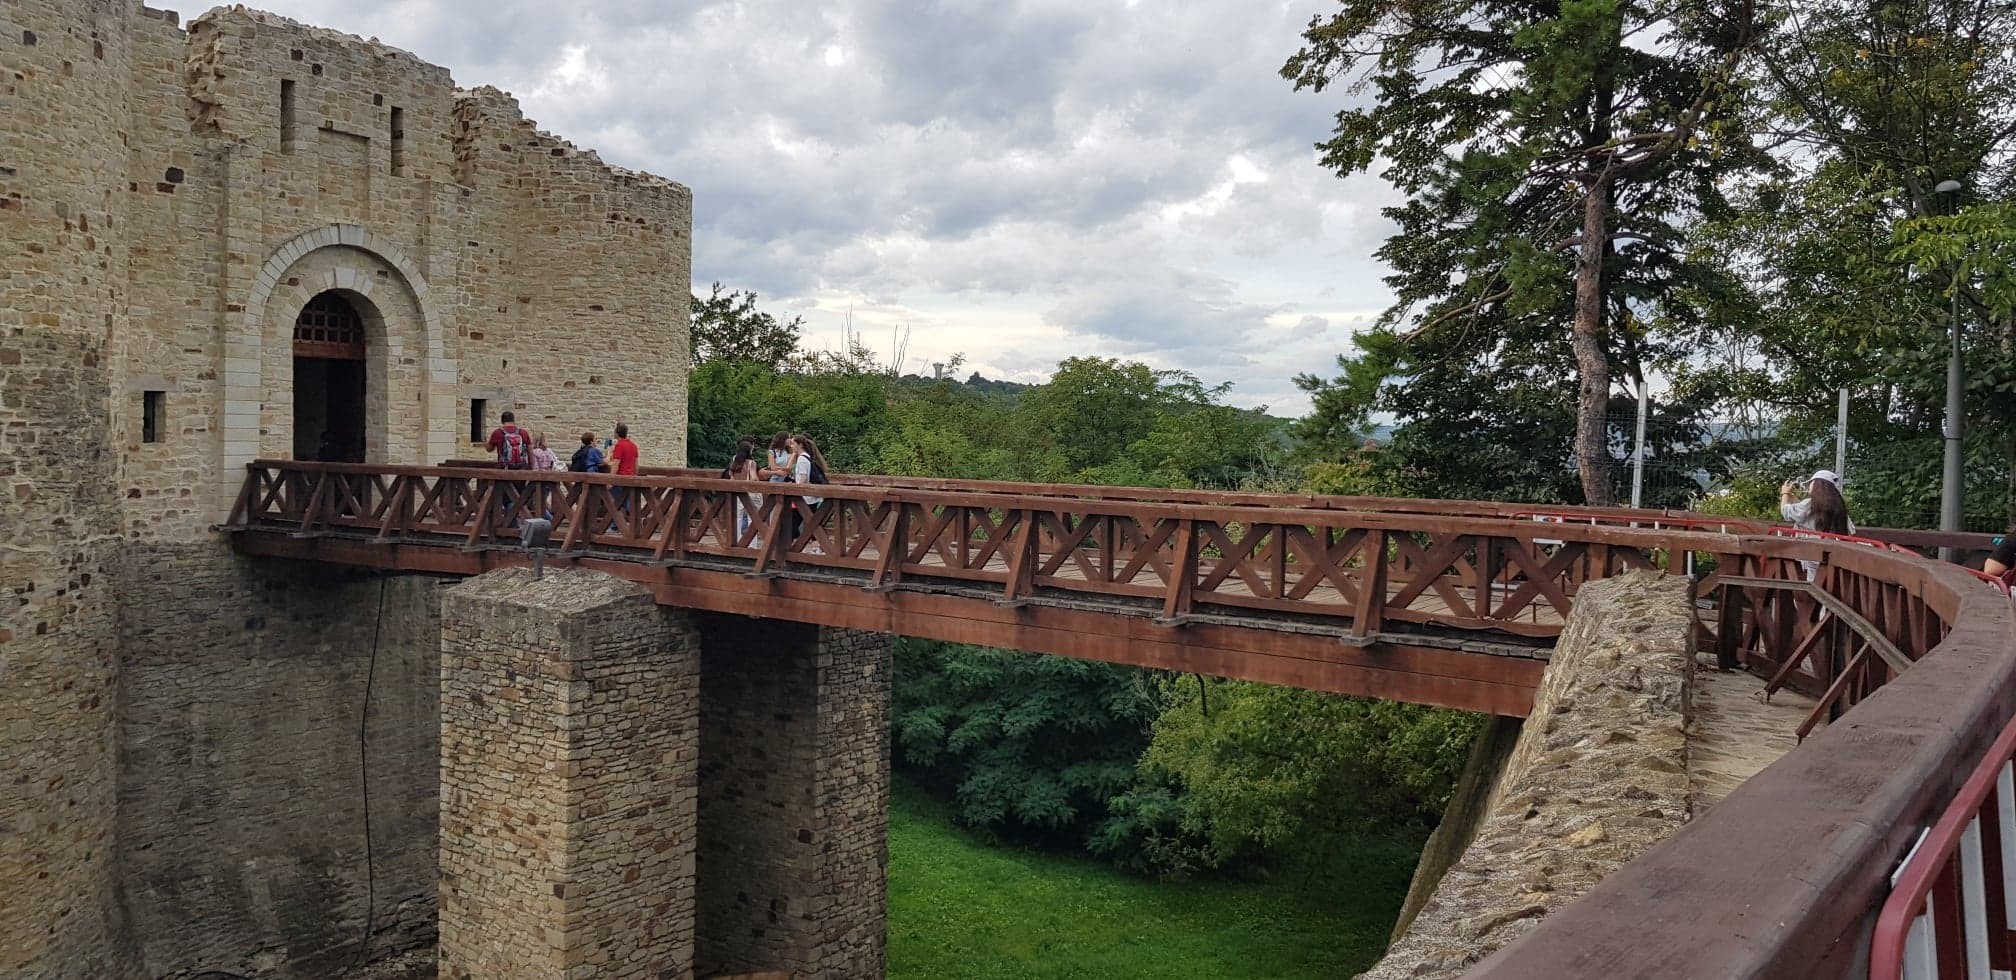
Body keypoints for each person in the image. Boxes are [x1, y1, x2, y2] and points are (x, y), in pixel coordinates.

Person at [1781, 469, 1854, 581]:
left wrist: (1785, 493)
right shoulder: (1839, 507)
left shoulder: (1810, 505)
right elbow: (1851, 531)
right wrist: (1791, 496)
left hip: (1811, 554)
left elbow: (1786, 512)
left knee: (1811, 585)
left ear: (1816, 484)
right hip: (1832, 556)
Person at [786, 433, 830, 553]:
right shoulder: (808, 457)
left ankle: (789, 549)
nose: (791, 446)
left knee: (794, 522)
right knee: (812, 523)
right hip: (811, 497)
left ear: (800, 445)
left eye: (793, 444)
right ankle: (816, 547)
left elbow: (803, 478)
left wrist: (795, 488)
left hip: (803, 498)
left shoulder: (802, 459)